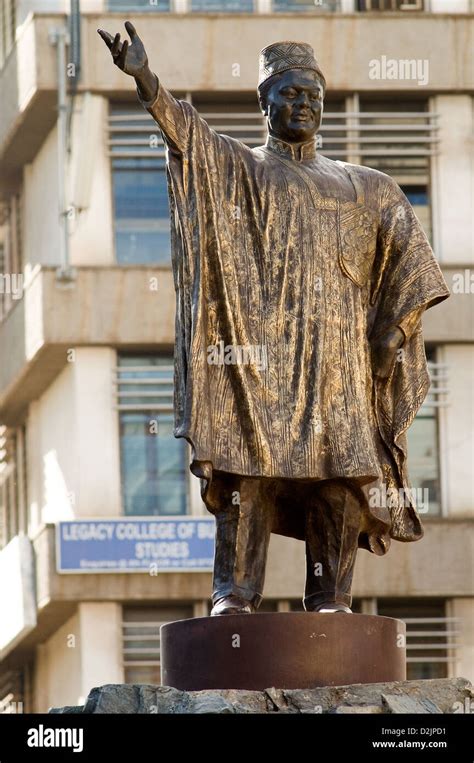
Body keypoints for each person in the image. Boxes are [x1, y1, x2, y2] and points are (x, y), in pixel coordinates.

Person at [98, 24, 449, 615]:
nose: (303, 103)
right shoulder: (243, 168)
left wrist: (393, 329)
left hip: (340, 363)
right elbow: (189, 138)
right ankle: (235, 595)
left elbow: (411, 266)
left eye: (312, 93)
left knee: (342, 478)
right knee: (246, 469)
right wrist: (146, 81)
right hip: (260, 355)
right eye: (288, 93)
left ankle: (331, 599)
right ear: (263, 102)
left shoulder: (369, 188)